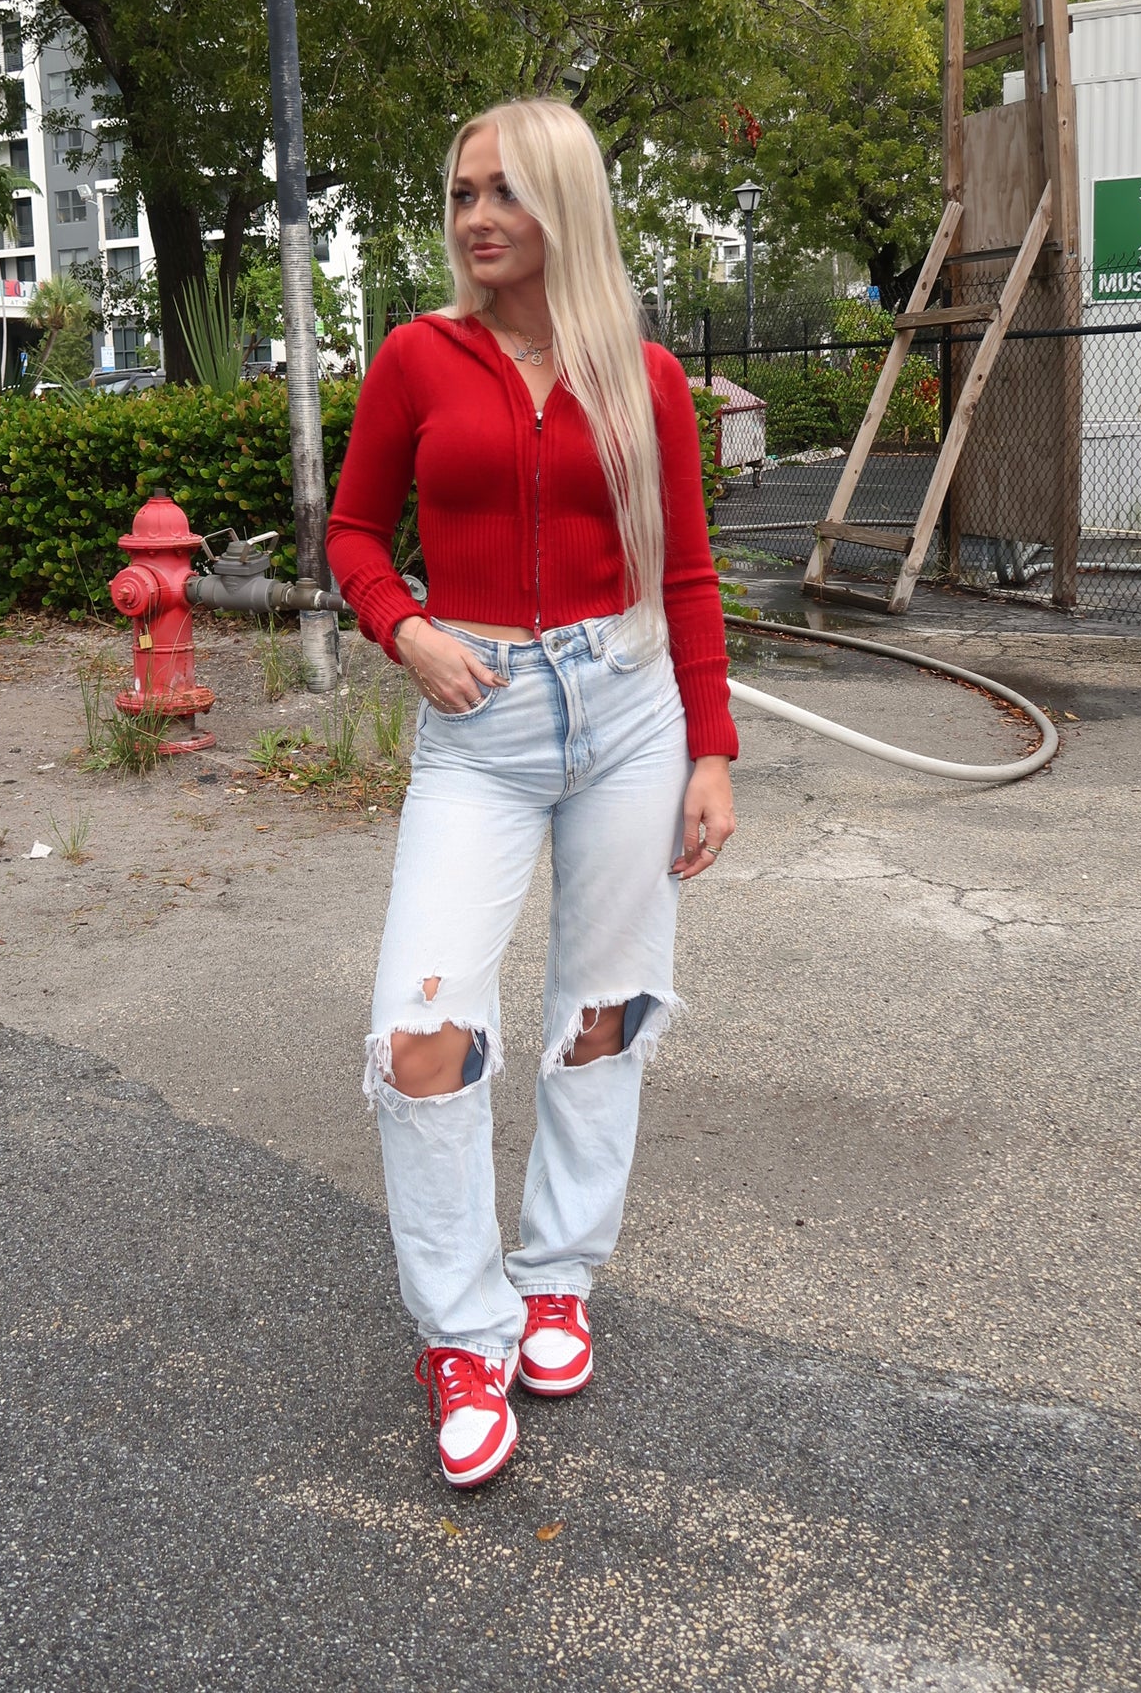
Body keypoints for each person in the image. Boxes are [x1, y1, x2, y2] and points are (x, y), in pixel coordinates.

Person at [326, 98, 738, 1490]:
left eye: (503, 190)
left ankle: (555, 1280)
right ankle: (463, 1329)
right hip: (480, 722)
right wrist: (405, 629)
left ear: (563, 201)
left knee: (602, 1014)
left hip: (630, 713)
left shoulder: (645, 376)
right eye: (459, 194)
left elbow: (682, 572)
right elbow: (348, 532)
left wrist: (713, 751)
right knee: (420, 1034)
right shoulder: (415, 359)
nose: (476, 217)